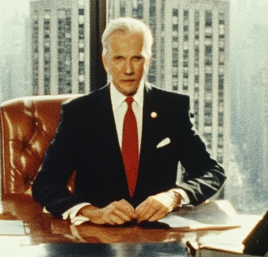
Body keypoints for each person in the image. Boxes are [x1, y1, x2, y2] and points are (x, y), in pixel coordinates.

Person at [32, 17, 225, 225]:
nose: (128, 70)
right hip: (96, 240)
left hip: (159, 237)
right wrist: (89, 211)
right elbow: (46, 183)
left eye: (137, 58)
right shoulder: (79, 113)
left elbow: (211, 172)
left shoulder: (173, 108)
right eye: (118, 58)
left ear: (148, 60)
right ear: (106, 62)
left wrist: (174, 196)